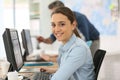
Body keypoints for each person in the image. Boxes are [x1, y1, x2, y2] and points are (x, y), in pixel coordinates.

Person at [40, 6, 95, 80]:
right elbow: (69, 69)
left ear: (73, 25)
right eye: (53, 25)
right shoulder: (65, 46)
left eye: (62, 24)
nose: (56, 29)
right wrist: (53, 71)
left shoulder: (78, 49)